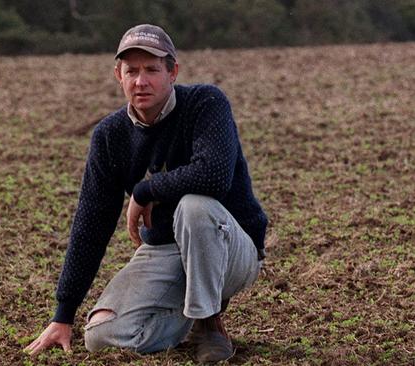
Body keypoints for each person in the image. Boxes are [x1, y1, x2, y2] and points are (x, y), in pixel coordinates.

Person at [24, 24, 267, 362]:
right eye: (132, 71)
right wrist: (63, 314)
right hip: (167, 250)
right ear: (118, 75)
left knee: (195, 207)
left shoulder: (205, 103)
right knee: (101, 336)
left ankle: (210, 326)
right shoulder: (110, 136)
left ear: (173, 72)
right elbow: (92, 223)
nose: (141, 81)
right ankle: (189, 313)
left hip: (230, 248)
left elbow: (213, 176)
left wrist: (145, 190)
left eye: (152, 69)